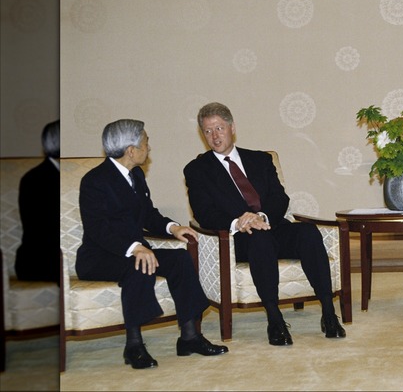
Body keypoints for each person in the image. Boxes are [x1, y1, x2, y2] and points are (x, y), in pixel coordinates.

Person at [183, 102, 345, 346]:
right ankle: (275, 318)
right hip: (239, 238)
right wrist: (239, 221)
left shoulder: (260, 159)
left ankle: (329, 313)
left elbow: (280, 198)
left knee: (308, 233)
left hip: (273, 226)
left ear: (232, 127)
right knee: (260, 240)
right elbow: (204, 213)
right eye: (208, 131)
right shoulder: (197, 170)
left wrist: (263, 217)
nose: (215, 136)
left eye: (219, 128)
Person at [76, 119, 228, 369]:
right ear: (131, 150)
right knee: (139, 264)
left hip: (134, 251)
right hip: (99, 257)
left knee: (179, 259)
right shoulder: (95, 180)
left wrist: (173, 227)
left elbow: (148, 214)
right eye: (146, 141)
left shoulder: (135, 175)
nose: (149, 146)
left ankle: (190, 337)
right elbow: (98, 229)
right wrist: (134, 248)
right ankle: (133, 345)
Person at [15, 119, 60, 283]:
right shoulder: (34, 179)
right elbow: (39, 229)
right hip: (38, 260)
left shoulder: (67, 175)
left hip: (55, 256)